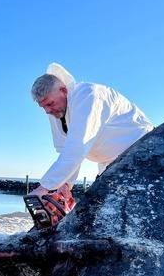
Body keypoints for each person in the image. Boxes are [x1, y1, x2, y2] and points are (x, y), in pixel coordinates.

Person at [29, 63, 153, 200]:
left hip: (143, 151)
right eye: (43, 107)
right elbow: (65, 150)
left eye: (49, 104)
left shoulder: (87, 95)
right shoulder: (56, 111)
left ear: (63, 90)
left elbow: (78, 145)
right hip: (110, 164)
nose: (47, 111)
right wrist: (65, 183)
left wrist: (44, 187)